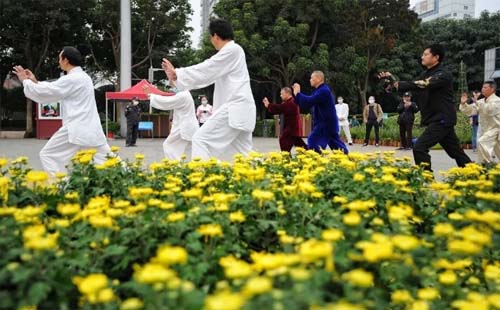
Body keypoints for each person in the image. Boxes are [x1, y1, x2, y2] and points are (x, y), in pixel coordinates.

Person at [162, 19, 256, 161]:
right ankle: (277, 179)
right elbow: (209, 74)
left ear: (215, 36)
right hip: (241, 110)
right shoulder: (234, 52)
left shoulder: (232, 50)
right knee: (247, 155)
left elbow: (207, 69)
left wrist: (178, 74)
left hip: (235, 108)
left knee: (200, 140)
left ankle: (205, 180)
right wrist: (177, 77)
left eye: (211, 37)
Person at [12, 46, 114, 175]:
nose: (58, 61)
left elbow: (47, 92)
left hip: (76, 127)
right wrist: (35, 81)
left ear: (65, 60)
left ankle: (62, 187)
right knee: (109, 161)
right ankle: (133, 183)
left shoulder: (72, 79)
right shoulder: (84, 77)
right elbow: (55, 88)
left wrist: (25, 81)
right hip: (91, 129)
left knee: (48, 155)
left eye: (60, 58)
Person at [379, 44, 471, 171]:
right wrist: (389, 83)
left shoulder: (443, 74)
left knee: (419, 147)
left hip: (442, 119)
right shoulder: (425, 74)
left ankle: (426, 180)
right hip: (437, 120)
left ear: (436, 57)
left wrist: (398, 84)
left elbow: (422, 85)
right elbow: (413, 89)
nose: (422, 57)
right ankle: (479, 176)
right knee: (457, 153)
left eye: (426, 54)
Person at [292, 71, 348, 154]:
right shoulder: (320, 90)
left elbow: (308, 101)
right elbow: (308, 102)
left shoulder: (323, 91)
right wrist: (297, 96)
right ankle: (346, 160)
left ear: (318, 79)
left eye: (311, 78)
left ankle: (315, 160)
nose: (310, 80)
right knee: (337, 146)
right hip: (329, 124)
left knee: (313, 141)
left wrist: (298, 93)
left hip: (325, 124)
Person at [143, 86, 199, 160]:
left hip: (183, 126)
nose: (173, 87)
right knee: (175, 147)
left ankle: (175, 165)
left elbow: (167, 101)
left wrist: (150, 96)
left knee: (169, 145)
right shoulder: (185, 94)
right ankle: (176, 164)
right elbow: (168, 100)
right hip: (186, 125)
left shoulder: (183, 95)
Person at [460, 81, 500, 163]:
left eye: (485, 87)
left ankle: (485, 166)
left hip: (496, 129)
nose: (482, 89)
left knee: (482, 142)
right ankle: (485, 166)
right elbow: (470, 111)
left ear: (492, 89)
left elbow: (489, 110)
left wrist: (476, 102)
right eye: (482, 87)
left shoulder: (497, 101)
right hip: (487, 131)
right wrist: (464, 103)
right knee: (484, 144)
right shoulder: (481, 101)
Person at [262, 87, 307, 152]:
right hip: (294, 128)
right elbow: (281, 107)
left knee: (284, 140)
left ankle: (286, 158)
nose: (280, 95)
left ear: (287, 93)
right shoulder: (291, 101)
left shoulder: (291, 103)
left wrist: (269, 105)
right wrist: (269, 106)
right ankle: (312, 155)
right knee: (300, 145)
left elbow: (281, 108)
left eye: (282, 94)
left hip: (291, 129)